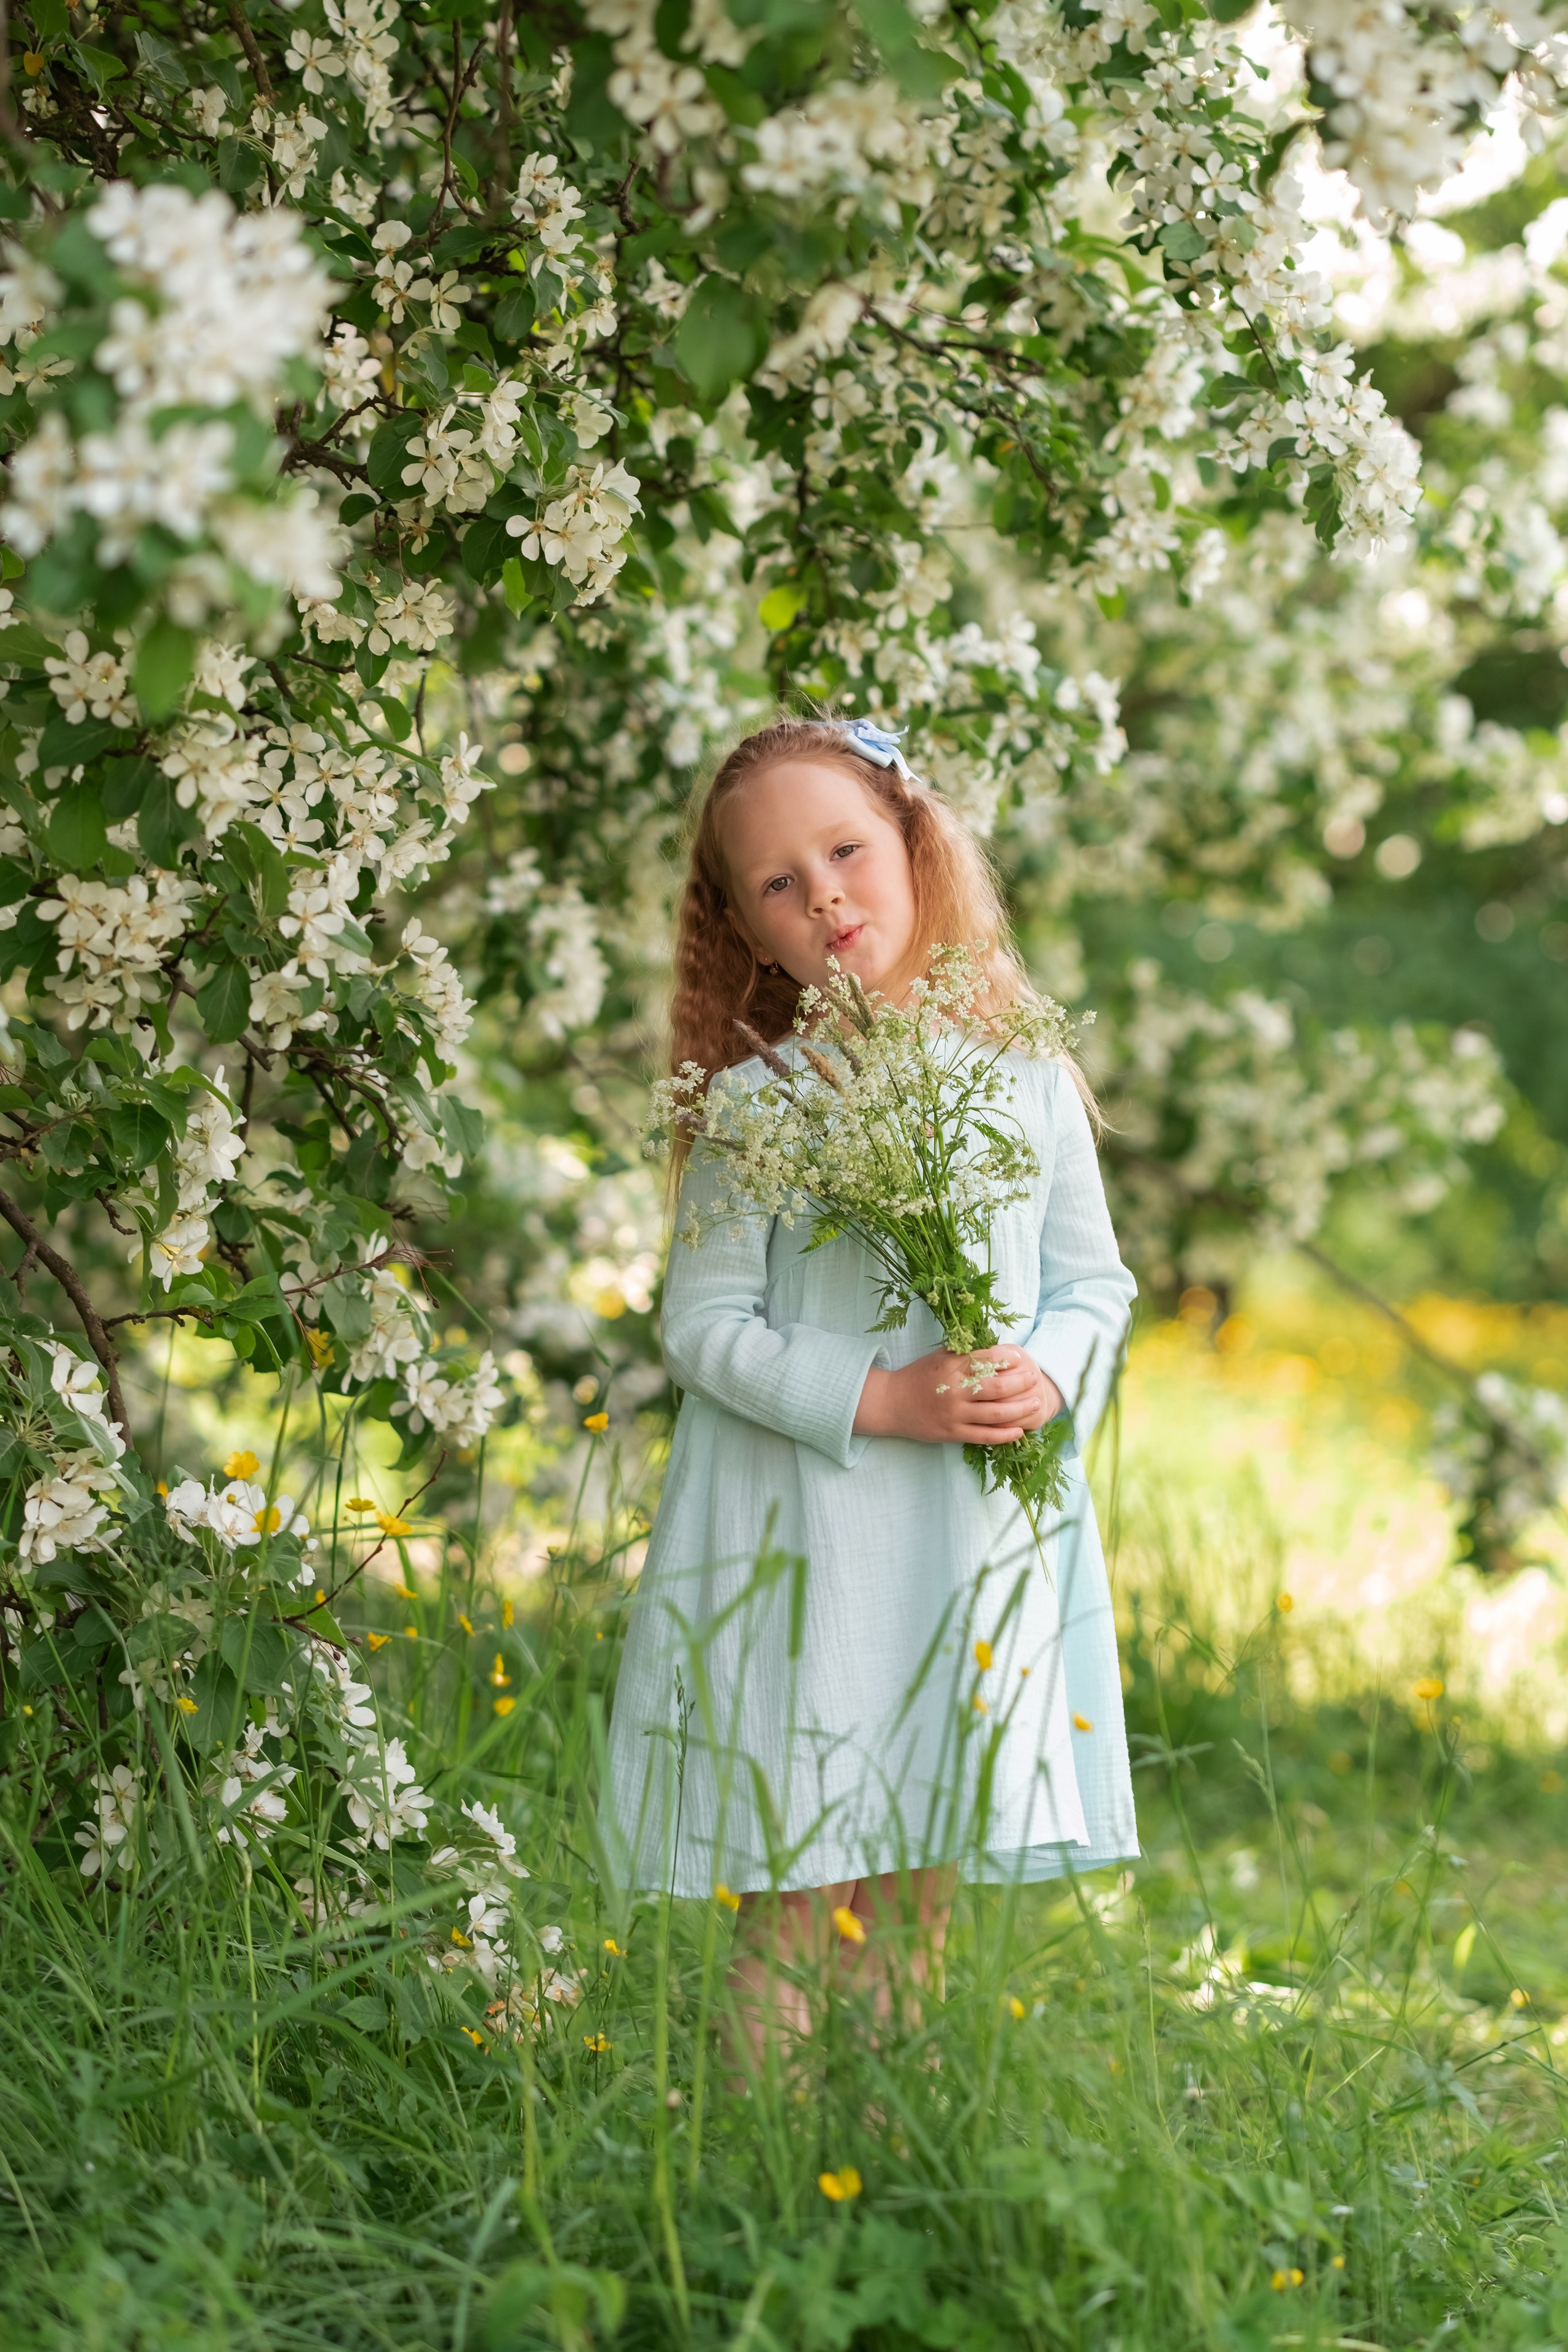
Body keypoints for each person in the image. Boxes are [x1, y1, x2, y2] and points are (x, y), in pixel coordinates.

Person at [602, 713, 1138, 2087]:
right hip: (815, 1537)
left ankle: (881, 2170)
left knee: (912, 1881)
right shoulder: (755, 1103)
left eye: (843, 849)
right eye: (777, 881)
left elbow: (1094, 1288)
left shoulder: (1024, 1076)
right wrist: (877, 1397)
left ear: (912, 842)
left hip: (968, 1536)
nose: (823, 894)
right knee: (797, 1874)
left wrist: (1047, 1369)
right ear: (744, 924)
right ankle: (760, 2179)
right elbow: (705, 1327)